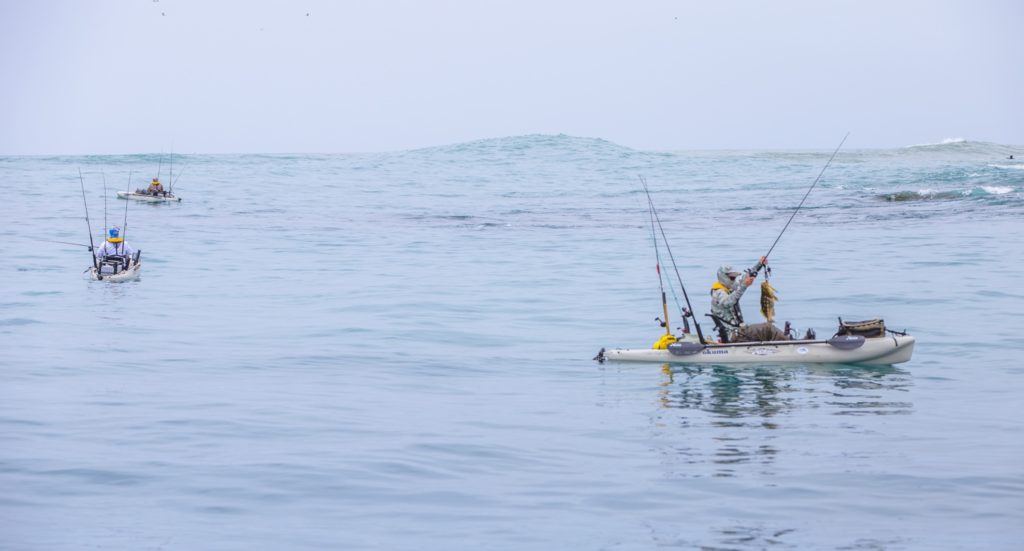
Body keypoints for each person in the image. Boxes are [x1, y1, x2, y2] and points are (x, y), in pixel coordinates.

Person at [709, 256, 789, 342]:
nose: (734, 280)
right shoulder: (718, 294)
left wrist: (759, 265)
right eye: (732, 278)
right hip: (733, 334)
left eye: (734, 277)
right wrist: (744, 286)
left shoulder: (727, 287)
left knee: (765, 330)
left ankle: (783, 344)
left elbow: (744, 278)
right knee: (767, 328)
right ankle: (790, 344)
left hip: (739, 331)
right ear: (723, 277)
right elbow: (729, 301)